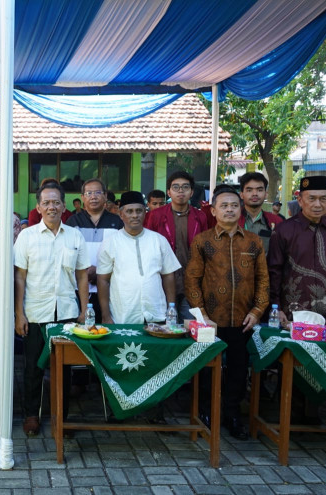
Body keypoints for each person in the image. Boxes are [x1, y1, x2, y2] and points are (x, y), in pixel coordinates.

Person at [185, 185, 269, 441]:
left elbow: (263, 280)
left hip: (242, 320)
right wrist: (202, 315)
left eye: (234, 205)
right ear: (213, 210)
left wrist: (257, 311)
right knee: (208, 370)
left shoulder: (253, 241)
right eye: (224, 205)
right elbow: (192, 280)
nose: (230, 209)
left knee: (237, 369)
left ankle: (232, 415)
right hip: (211, 321)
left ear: (240, 208)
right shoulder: (203, 241)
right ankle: (206, 413)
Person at [14, 181, 90, 436]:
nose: (51, 207)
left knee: (63, 370)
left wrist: (83, 310)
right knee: (33, 368)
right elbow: (20, 277)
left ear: (64, 206)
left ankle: (61, 418)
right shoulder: (27, 236)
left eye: (56, 202)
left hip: (67, 313)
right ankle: (31, 415)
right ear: (38, 207)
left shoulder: (75, 236)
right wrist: (19, 313)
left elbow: (81, 277)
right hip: (35, 312)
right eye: (46, 202)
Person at [268, 176, 326, 325]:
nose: (318, 204)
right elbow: (274, 271)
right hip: (292, 316)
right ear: (300, 200)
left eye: (323, 199)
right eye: (312, 198)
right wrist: (276, 307)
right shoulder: (284, 230)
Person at [97, 191, 180, 324]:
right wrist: (106, 316)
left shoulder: (158, 240)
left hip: (157, 314)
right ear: (121, 214)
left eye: (139, 211)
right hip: (123, 316)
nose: (135, 215)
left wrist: (171, 308)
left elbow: (168, 276)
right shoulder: (110, 242)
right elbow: (103, 281)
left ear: (145, 213)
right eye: (129, 211)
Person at [144, 171, 208, 322]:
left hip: (191, 281)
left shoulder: (200, 217)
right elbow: (148, 245)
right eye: (176, 187)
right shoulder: (156, 216)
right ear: (168, 192)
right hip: (162, 280)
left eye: (185, 187)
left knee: (189, 325)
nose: (180, 191)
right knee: (164, 325)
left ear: (191, 192)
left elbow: (206, 249)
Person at [66, 179, 124, 317]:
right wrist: (83, 270)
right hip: (77, 288)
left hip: (109, 288)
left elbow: (123, 255)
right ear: (82, 197)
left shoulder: (117, 222)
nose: (93, 196)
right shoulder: (72, 222)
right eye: (89, 193)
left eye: (98, 192)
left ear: (105, 195)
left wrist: (100, 271)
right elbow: (65, 253)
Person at [238, 172, 283, 253]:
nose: (255, 194)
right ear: (241, 195)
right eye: (249, 190)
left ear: (266, 194)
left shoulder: (277, 222)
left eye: (259, 190)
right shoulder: (231, 220)